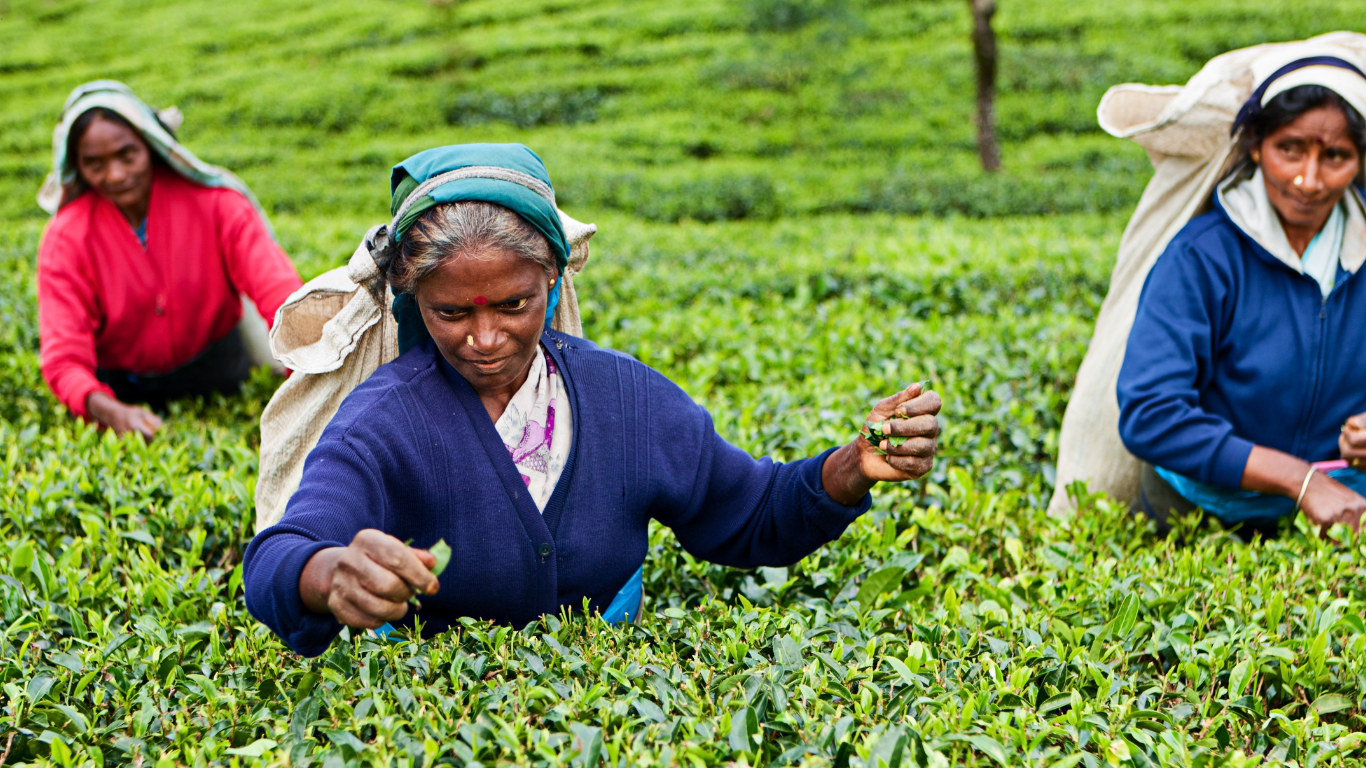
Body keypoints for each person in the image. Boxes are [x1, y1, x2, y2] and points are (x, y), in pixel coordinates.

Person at [243, 144, 942, 657]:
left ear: (551, 278)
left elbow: (751, 512)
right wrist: (328, 574)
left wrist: (852, 466)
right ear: (413, 300)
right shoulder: (384, 420)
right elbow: (280, 553)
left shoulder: (622, 398)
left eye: (513, 304)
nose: (485, 338)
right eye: (452, 312)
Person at [1118, 50, 1366, 537]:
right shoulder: (1203, 257)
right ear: (1256, 146)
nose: (1308, 180)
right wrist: (1300, 480)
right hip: (1201, 514)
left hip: (1345, 510)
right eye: (1289, 149)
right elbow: (1151, 412)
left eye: (1334, 156)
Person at [36, 81, 303, 438]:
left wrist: (304, 374)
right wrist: (109, 409)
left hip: (220, 372)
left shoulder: (216, 204)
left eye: (126, 154)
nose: (114, 174)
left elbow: (280, 295)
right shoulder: (66, 239)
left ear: (150, 144)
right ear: (76, 165)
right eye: (94, 163)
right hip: (122, 388)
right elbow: (63, 357)